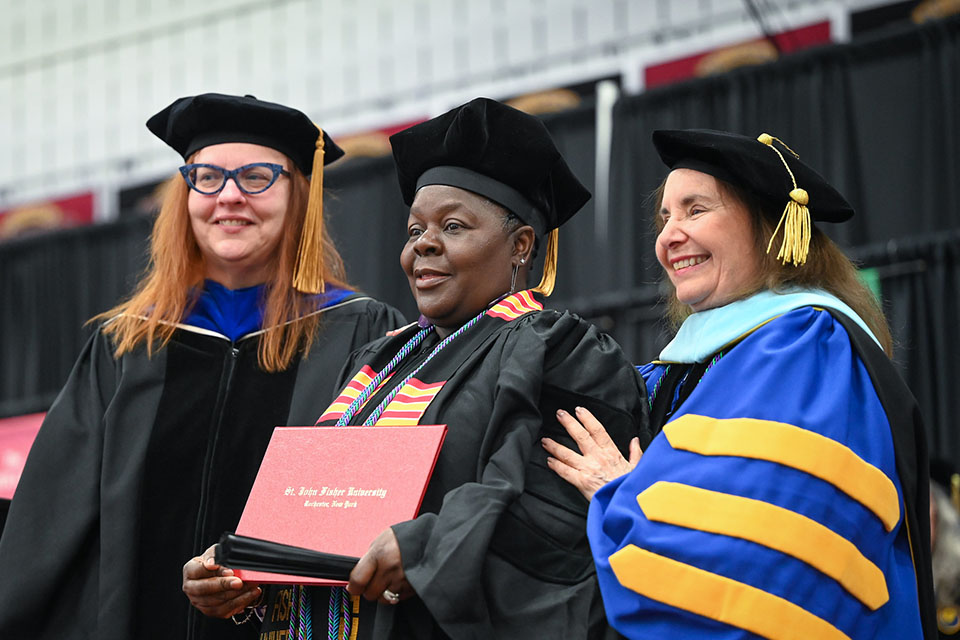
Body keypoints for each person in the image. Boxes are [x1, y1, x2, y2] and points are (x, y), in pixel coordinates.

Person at [184, 97, 651, 639]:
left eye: (452, 226)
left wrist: (431, 546)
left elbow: (558, 525)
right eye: (413, 231)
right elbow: (324, 518)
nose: (423, 245)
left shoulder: (565, 353)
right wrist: (245, 570)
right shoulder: (377, 363)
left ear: (521, 245)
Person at [0, 93, 404, 640]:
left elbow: (374, 514)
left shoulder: (357, 335)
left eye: (258, 176)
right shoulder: (125, 347)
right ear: (184, 194)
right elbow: (47, 526)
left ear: (298, 198)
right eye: (207, 177)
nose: (230, 197)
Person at [543, 129, 937, 638]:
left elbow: (761, 550)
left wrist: (621, 498)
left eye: (695, 210)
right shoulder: (701, 363)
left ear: (771, 230)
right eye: (666, 217)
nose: (668, 236)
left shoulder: (808, 350)